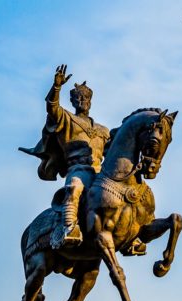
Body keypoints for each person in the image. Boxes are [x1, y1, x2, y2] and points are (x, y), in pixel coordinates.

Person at [20, 65, 112, 248]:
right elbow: (52, 108)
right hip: (78, 170)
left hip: (100, 172)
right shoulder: (66, 119)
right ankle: (68, 228)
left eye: (85, 97)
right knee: (74, 189)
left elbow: (113, 152)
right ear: (72, 101)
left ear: (90, 101)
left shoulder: (103, 130)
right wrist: (56, 87)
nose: (82, 100)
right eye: (77, 98)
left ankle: (133, 234)